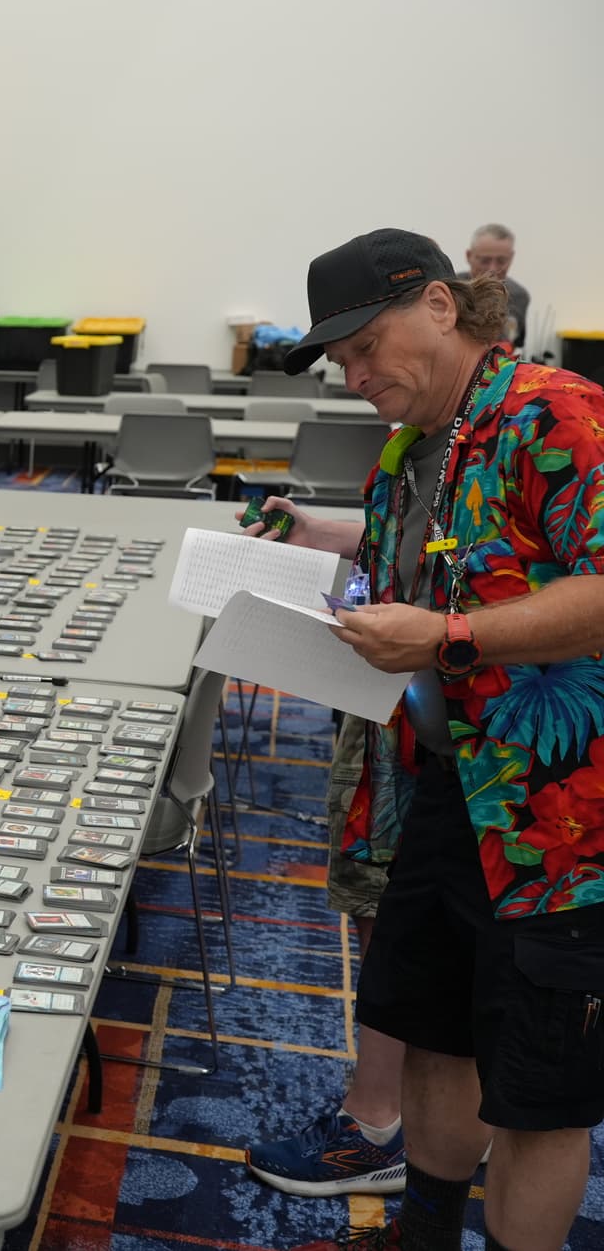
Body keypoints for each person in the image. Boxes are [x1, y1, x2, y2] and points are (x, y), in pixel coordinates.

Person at [251, 228, 604, 1251]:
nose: (354, 375)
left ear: (442, 308)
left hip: (557, 826)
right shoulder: (430, 439)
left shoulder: (556, 412)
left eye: (367, 346)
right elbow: (470, 550)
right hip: (442, 792)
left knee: (536, 1099)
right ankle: (422, 1234)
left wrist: (448, 637)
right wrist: (337, 535)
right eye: (340, 361)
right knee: (433, 1038)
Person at [246, 718, 413, 1199]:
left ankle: (375, 1128)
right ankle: (455, 1116)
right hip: (485, 715)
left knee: (384, 904)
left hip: (410, 708)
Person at [462, 223, 530, 350]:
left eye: (501, 261)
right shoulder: (451, 290)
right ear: (468, 256)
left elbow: (517, 343)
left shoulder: (519, 296)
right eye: (484, 260)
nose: (492, 269)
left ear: (511, 258)